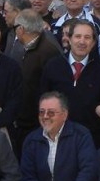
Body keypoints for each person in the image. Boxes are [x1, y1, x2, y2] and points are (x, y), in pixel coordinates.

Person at [39, 19, 100, 147]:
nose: (82, 42)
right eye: (78, 36)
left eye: (87, 37)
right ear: (69, 39)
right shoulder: (53, 66)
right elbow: (42, 98)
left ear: (94, 42)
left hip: (93, 140)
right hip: (58, 137)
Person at [11, 10, 63, 157]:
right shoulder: (24, 47)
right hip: (25, 118)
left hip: (38, 120)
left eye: (15, 28)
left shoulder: (48, 51)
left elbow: (50, 87)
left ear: (20, 29)